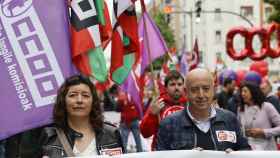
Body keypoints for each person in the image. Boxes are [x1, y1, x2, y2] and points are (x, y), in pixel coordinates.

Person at [156, 68, 251, 151]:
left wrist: (235, 155)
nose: (201, 95)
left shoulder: (230, 119)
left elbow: (245, 149)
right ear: (186, 92)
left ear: (213, 90)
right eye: (194, 90)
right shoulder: (169, 124)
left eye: (206, 89)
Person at [39, 75, 124, 157]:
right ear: (63, 101)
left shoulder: (112, 134)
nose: (79, 100)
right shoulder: (50, 136)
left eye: (85, 95)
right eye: (72, 95)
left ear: (93, 101)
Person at [140, 70, 187, 150]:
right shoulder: (158, 104)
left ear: (183, 86)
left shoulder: (189, 104)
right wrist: (152, 115)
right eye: (172, 84)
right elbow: (145, 133)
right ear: (166, 88)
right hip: (162, 151)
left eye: (179, 84)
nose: (176, 87)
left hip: (184, 151)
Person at [238, 81, 280, 150]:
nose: (242, 94)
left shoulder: (267, 106)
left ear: (253, 92)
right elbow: (239, 129)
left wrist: (263, 132)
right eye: (241, 91)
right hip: (249, 150)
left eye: (245, 91)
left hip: (267, 150)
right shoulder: (241, 109)